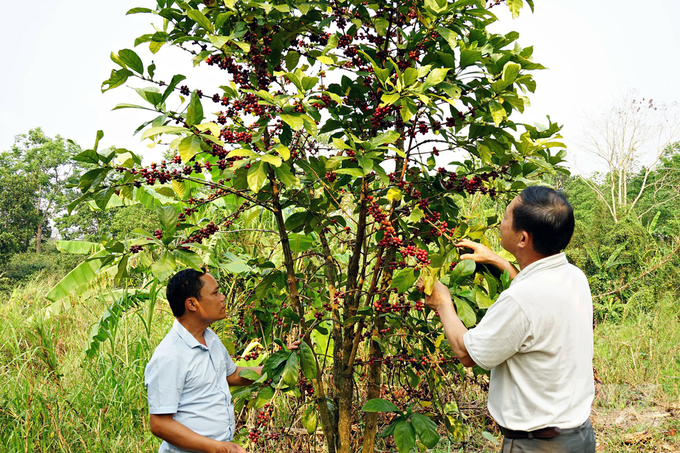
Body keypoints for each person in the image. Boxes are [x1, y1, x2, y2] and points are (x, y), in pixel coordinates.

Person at [421, 186, 596, 452]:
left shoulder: (520, 301)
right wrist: (496, 260)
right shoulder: (574, 277)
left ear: (523, 238)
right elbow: (536, 305)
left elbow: (466, 353)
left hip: (537, 445)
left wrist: (443, 303)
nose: (501, 223)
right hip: (578, 435)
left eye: (505, 218)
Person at [145, 268, 259, 453]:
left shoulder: (210, 337)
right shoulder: (169, 356)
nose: (222, 297)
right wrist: (220, 448)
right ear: (192, 304)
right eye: (215, 293)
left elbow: (232, 375)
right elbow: (159, 424)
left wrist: (281, 365)